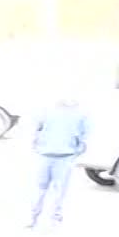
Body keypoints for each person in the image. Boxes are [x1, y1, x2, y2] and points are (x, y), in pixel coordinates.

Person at [25, 93, 89, 229]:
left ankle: (43, 219)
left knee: (49, 190)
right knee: (50, 190)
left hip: (55, 156)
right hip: (55, 156)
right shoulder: (75, 115)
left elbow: (36, 131)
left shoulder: (76, 115)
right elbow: (84, 138)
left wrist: (38, 145)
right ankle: (44, 218)